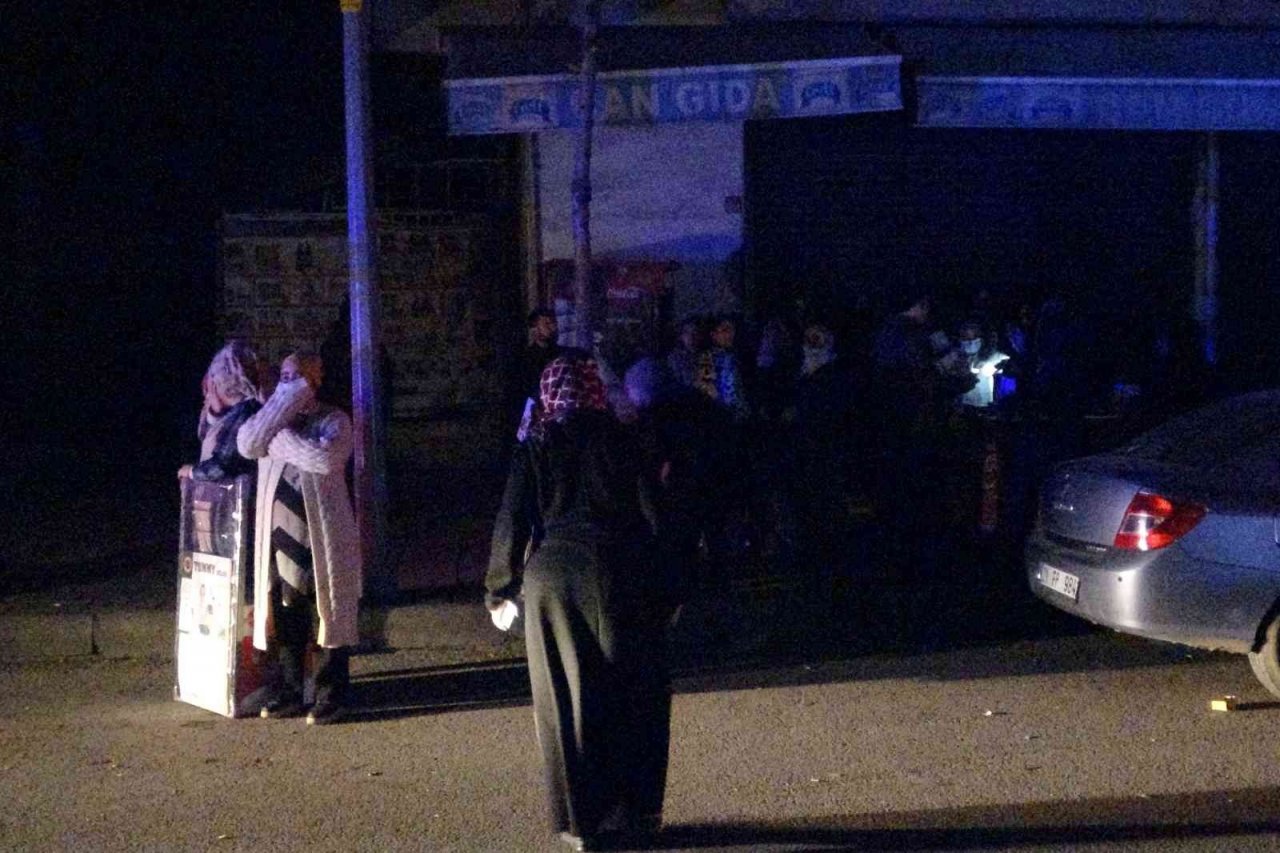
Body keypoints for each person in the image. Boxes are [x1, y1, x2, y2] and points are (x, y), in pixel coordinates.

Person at [485, 352, 672, 851]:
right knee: (635, 691)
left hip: (554, 578)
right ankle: (637, 809)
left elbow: (512, 520)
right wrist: (670, 586)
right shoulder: (626, 440)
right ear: (596, 391)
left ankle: (581, 821)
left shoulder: (537, 445)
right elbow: (658, 518)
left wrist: (499, 586)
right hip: (622, 571)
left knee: (565, 700)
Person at [237, 351, 362, 726]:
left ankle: (331, 695)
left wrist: (278, 439)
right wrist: (279, 409)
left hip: (321, 535)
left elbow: (325, 460)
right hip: (280, 538)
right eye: (285, 376)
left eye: (299, 377)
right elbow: (247, 444)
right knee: (287, 614)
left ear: (316, 379)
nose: (290, 384)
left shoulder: (334, 419)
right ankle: (291, 690)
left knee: (329, 613)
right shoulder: (269, 422)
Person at [178, 341, 263, 483]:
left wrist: (191, 472)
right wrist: (216, 412)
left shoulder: (245, 414)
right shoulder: (239, 412)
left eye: (213, 380)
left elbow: (221, 465)